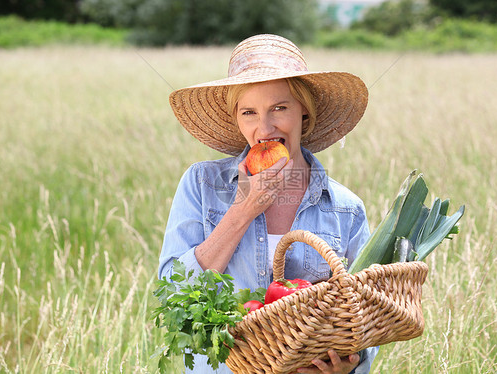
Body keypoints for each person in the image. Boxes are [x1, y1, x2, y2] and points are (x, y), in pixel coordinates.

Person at [159, 34, 379, 374]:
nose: (264, 128)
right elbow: (175, 293)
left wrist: (348, 366)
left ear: (303, 109)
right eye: (249, 112)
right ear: (236, 119)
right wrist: (244, 209)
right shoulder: (201, 185)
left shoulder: (345, 208)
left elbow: (367, 319)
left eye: (279, 108)